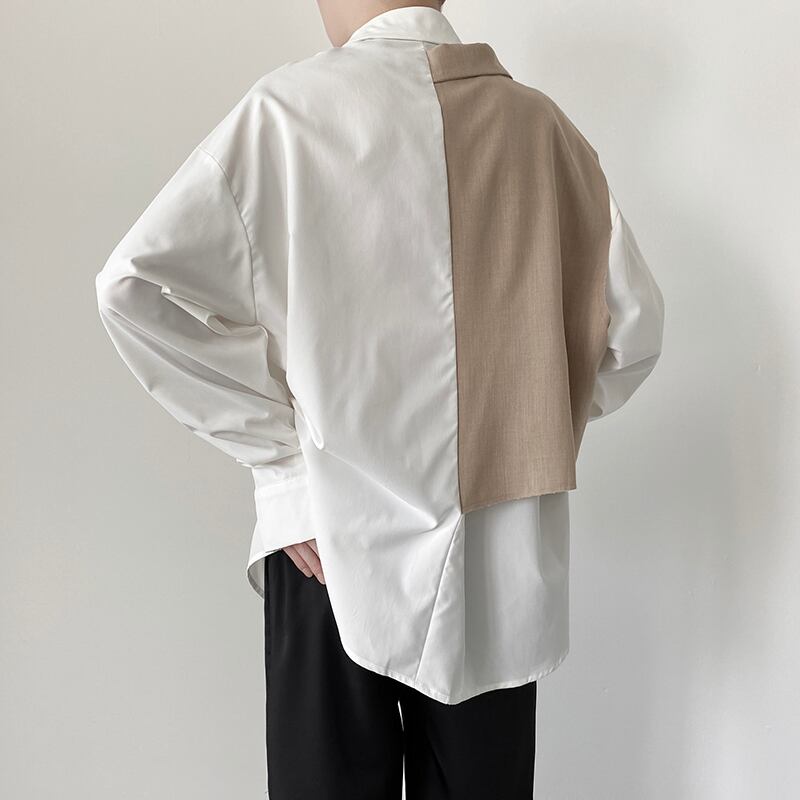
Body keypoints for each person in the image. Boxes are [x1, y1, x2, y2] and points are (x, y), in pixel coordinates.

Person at [94, 2, 665, 797]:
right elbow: (632, 332)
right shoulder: (543, 131)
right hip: (497, 553)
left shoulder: (288, 113)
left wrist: (284, 465)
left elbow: (133, 287)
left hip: (326, 537)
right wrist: (527, 423)